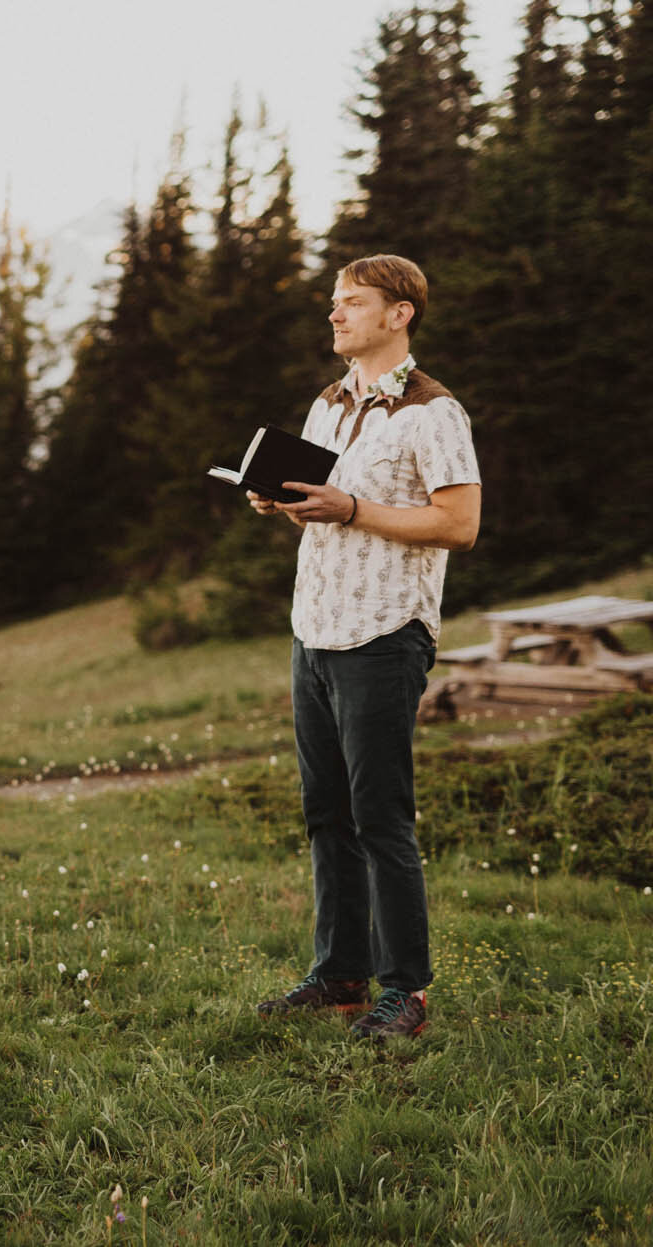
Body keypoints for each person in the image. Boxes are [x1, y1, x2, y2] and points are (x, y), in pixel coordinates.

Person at [250, 254, 481, 1040]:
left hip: (385, 634)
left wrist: (349, 506)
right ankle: (341, 974)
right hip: (314, 628)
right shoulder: (327, 404)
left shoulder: (433, 411)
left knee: (381, 815)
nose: (335, 315)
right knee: (327, 813)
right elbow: (330, 506)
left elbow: (458, 523)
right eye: (333, 304)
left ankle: (406, 992)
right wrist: (289, 503)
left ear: (399, 313)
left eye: (351, 303)